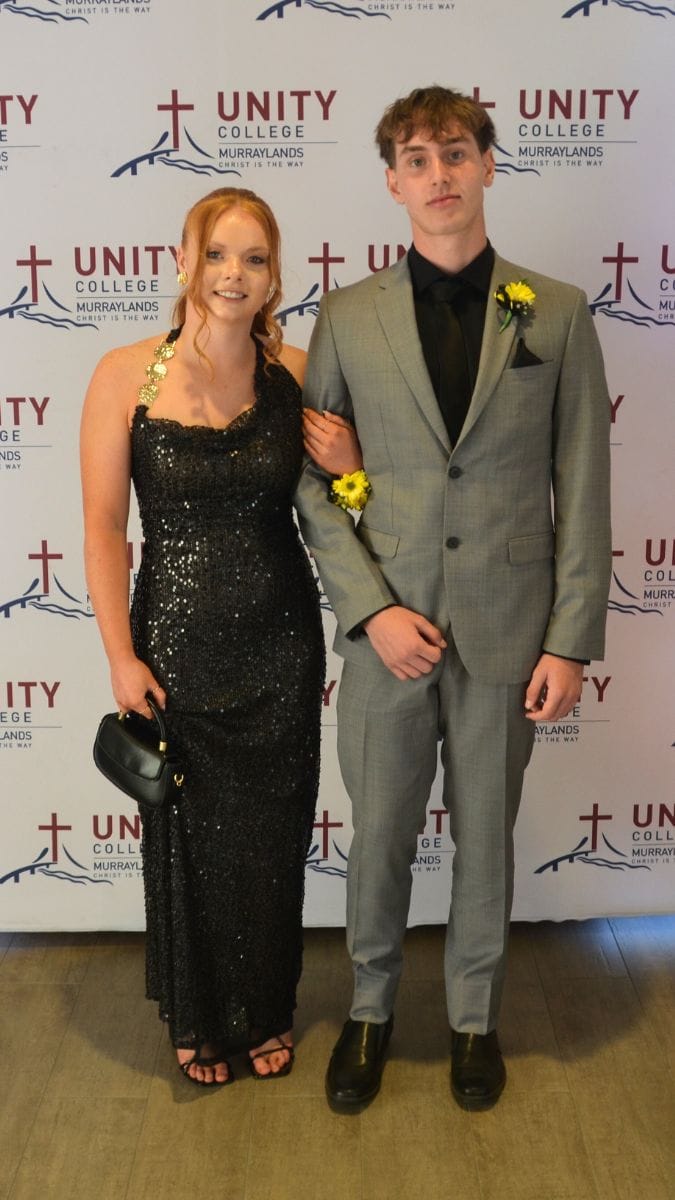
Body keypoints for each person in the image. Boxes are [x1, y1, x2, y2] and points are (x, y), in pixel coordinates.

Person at [295, 86, 611, 1112]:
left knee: (487, 839)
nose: (439, 175)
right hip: (387, 632)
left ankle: (476, 1019)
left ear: (487, 166)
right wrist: (371, 610)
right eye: (418, 159)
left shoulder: (553, 310)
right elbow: (316, 481)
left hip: (507, 633)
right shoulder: (346, 316)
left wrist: (569, 640)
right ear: (393, 182)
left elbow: (581, 480)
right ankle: (370, 1012)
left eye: (456, 153)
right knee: (379, 837)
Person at [81, 187, 360, 1087]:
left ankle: (267, 1010)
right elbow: (102, 529)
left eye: (254, 258)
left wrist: (352, 466)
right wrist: (120, 655)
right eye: (216, 254)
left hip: (280, 646)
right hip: (172, 646)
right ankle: (198, 1018)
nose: (233, 275)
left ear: (275, 275)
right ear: (184, 260)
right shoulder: (124, 374)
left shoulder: (301, 372)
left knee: (271, 844)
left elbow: (354, 506)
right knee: (187, 840)